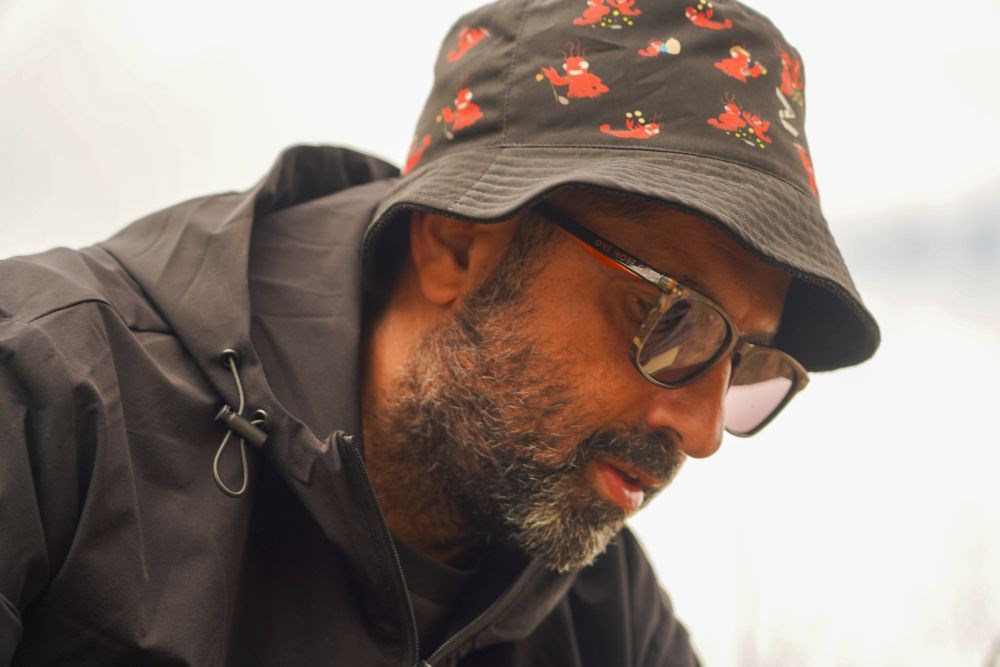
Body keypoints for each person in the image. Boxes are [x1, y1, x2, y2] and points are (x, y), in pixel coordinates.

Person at [0, 1, 880, 665]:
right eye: (675, 320)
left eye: (749, 363)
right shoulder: (46, 398)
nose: (703, 430)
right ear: (456, 243)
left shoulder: (599, 608)